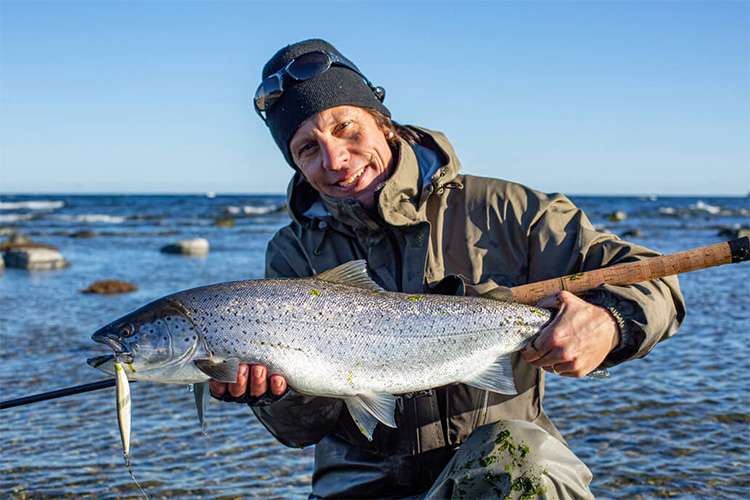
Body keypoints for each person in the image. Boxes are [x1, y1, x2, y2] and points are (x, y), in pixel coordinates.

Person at [210, 39, 685, 499]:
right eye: (307, 149)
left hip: (500, 474)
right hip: (357, 489)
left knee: (524, 459)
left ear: (384, 124)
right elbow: (302, 431)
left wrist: (609, 322)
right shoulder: (291, 253)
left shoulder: (506, 210)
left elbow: (650, 276)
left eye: (347, 129)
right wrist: (273, 396)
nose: (336, 160)